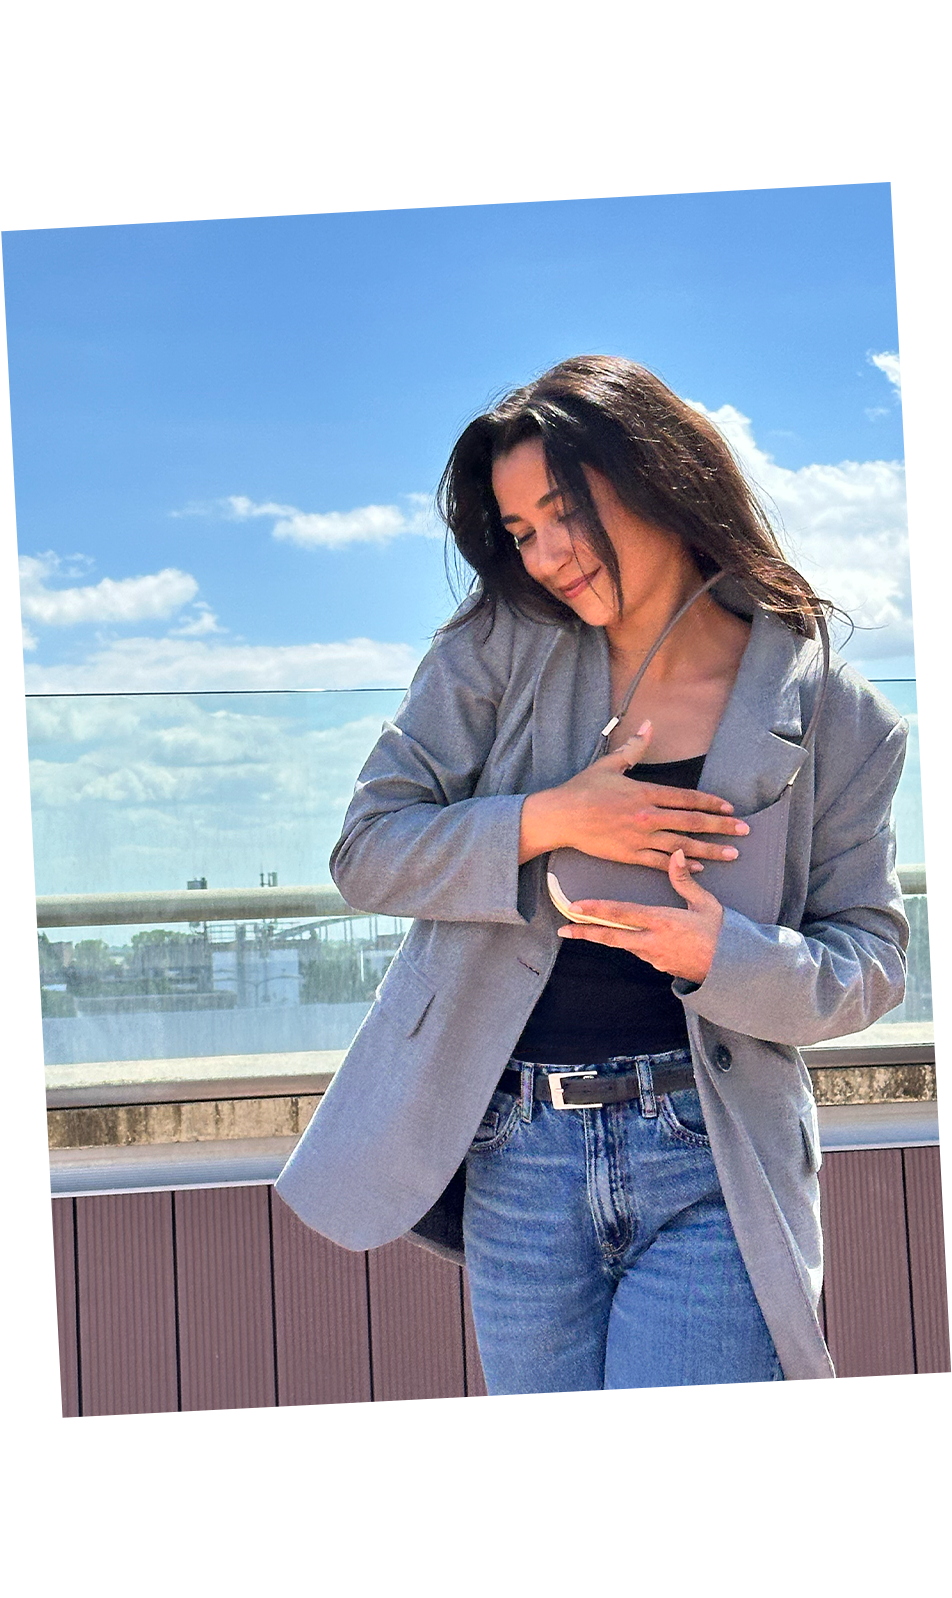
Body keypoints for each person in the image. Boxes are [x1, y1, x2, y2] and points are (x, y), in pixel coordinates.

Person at [275, 356, 908, 1418]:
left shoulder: (839, 714)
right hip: (516, 1153)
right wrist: (549, 815)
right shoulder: (494, 651)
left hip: (710, 1158)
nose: (546, 553)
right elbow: (368, 850)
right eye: (520, 529)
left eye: (562, 511)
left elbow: (871, 960)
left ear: (657, 476)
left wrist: (725, 957)